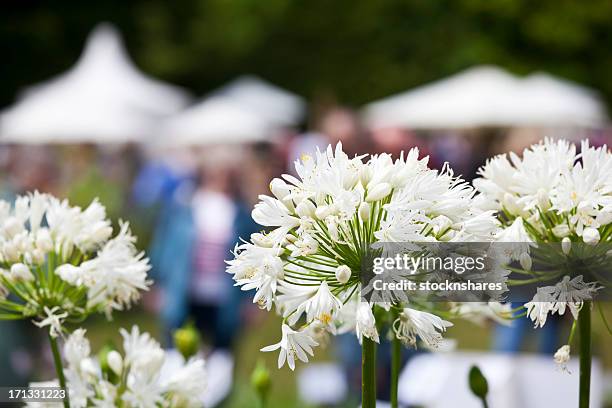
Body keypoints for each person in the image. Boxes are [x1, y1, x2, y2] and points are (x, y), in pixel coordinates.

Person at [150, 147, 257, 350]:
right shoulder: (184, 207)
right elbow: (165, 247)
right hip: (183, 293)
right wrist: (156, 283)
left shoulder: (242, 213)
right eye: (217, 172)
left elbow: (252, 255)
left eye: (228, 173)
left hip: (225, 298)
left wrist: (251, 299)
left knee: (221, 357)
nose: (222, 179)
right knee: (177, 353)